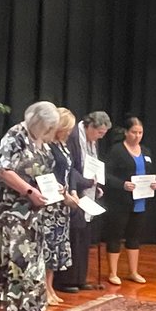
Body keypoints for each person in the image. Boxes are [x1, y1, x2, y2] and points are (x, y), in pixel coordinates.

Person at [0, 101, 60, 311]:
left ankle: (28, 305)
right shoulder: (15, 135)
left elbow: (44, 172)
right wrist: (29, 191)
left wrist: (55, 188)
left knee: (31, 258)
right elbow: (3, 170)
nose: (49, 132)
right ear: (36, 121)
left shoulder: (42, 141)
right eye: (47, 127)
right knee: (12, 257)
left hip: (32, 212)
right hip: (9, 210)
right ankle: (9, 307)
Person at [55, 111, 110, 293]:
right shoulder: (72, 137)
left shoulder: (92, 140)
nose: (100, 137)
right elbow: (70, 168)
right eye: (99, 132)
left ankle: (80, 278)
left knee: (84, 237)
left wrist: (96, 186)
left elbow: (93, 166)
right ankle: (67, 280)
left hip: (87, 192)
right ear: (89, 126)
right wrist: (85, 183)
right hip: (73, 193)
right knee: (74, 237)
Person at [103, 116, 155, 285]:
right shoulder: (117, 150)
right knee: (116, 235)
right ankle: (113, 272)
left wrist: (153, 184)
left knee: (134, 236)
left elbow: (149, 172)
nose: (137, 136)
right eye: (134, 132)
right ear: (126, 132)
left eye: (140, 133)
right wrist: (122, 185)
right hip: (120, 201)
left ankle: (133, 271)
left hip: (140, 201)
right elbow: (106, 175)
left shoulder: (146, 151)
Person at [43, 109, 84, 305]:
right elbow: (47, 175)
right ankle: (43, 289)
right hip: (50, 205)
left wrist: (73, 192)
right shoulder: (47, 146)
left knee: (56, 249)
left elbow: (70, 171)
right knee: (47, 248)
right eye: (67, 128)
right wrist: (64, 195)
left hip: (63, 206)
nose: (69, 132)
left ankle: (50, 287)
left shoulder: (63, 145)